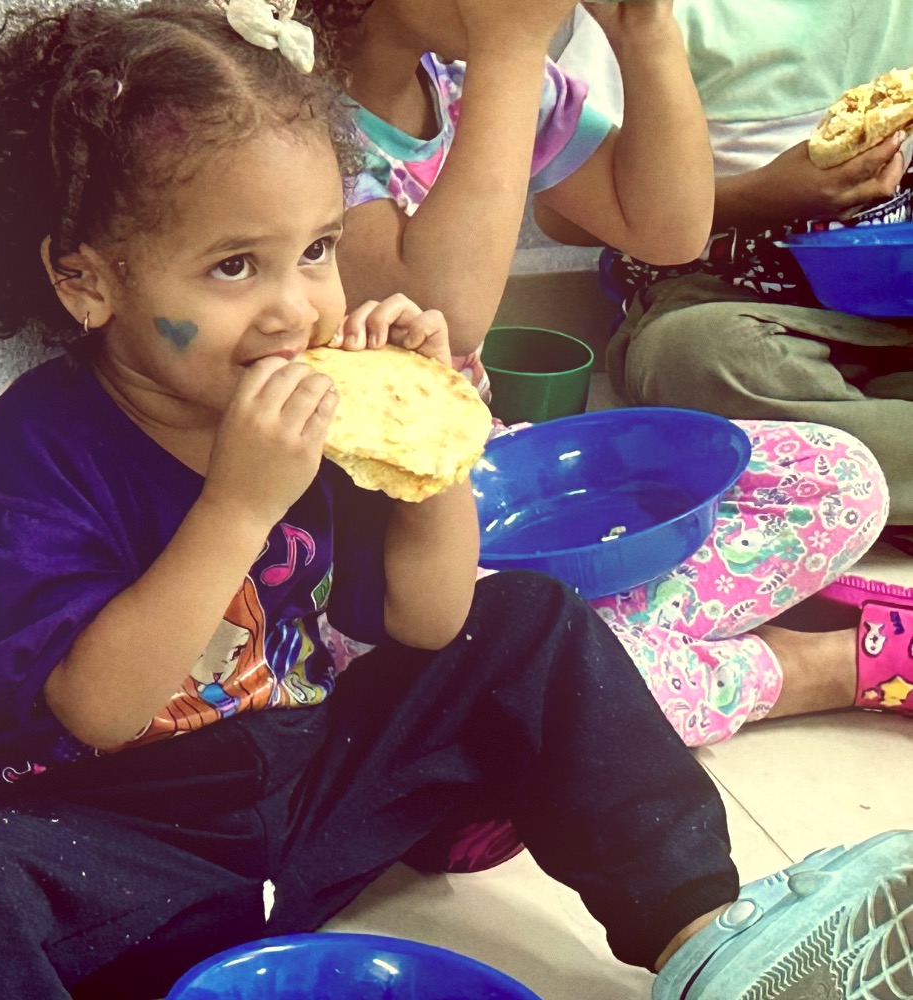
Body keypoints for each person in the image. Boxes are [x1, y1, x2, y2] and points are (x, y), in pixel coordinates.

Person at [0, 3, 913, 998]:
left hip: (307, 798)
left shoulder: (312, 408)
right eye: (234, 266)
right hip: (112, 843)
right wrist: (236, 506)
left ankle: (699, 930)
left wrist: (432, 450)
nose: (296, 306)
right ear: (90, 282)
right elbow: (97, 708)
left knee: (527, 620)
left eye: (316, 251)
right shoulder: (43, 452)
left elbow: (428, 617)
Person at [293, 0, 906, 756]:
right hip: (371, 550)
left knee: (837, 477)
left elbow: (670, 231)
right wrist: (510, 47)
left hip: (481, 481)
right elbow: (442, 312)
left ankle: (598, 625)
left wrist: (644, 31)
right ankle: (810, 664)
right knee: (525, 698)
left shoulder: (454, 83)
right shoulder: (291, 115)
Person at [555, 2, 913, 527]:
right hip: (720, 302)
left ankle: (853, 459)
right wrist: (765, 197)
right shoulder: (653, 14)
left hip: (888, 305)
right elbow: (565, 215)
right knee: (691, 358)